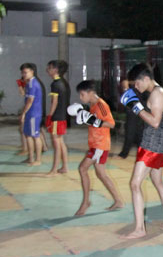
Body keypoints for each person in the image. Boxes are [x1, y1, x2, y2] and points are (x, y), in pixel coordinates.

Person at [120, 63, 163, 239]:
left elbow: (154, 122)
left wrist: (136, 107)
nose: (136, 87)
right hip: (157, 142)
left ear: (145, 79)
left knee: (135, 184)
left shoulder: (158, 94)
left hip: (153, 144)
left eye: (137, 84)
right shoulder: (156, 92)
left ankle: (139, 229)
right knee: (157, 181)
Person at [68, 80, 124, 216]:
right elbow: (93, 122)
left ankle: (85, 202)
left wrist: (94, 121)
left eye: (82, 95)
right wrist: (88, 117)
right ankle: (118, 201)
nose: (81, 98)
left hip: (100, 145)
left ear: (91, 93)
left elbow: (111, 124)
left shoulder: (101, 105)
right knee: (101, 174)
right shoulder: (92, 104)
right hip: (95, 144)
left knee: (82, 168)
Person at [45, 60, 69, 175]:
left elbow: (54, 102)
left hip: (56, 117)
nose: (47, 70)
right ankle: (64, 167)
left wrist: (49, 116)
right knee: (61, 142)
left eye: (49, 68)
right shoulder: (62, 82)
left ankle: (54, 169)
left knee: (56, 144)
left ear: (56, 70)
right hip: (62, 116)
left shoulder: (55, 84)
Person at [19, 63, 44, 166]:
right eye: (22, 72)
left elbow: (30, 101)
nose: (24, 74)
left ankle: (38, 159)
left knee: (35, 136)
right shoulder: (29, 83)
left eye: (26, 72)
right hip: (30, 113)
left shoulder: (33, 84)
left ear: (32, 71)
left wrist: (23, 113)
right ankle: (30, 157)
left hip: (34, 113)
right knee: (28, 135)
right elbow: (25, 96)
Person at [118, 79, 144, 158]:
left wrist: (126, 88)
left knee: (132, 130)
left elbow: (134, 106)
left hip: (136, 112)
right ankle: (141, 154)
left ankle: (124, 154)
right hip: (136, 112)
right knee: (137, 132)